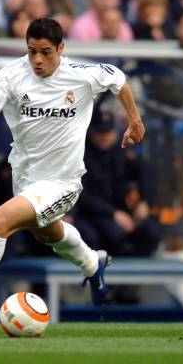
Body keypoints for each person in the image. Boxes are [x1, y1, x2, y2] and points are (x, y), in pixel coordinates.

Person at [0, 17, 145, 323]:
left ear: (61, 48)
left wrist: (134, 119)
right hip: (26, 179)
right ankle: (92, 262)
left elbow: (118, 79)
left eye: (45, 52)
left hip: (63, 182)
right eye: (32, 52)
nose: (38, 59)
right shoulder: (12, 76)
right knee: (48, 234)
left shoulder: (81, 74)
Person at [74, 110, 160, 257]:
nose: (104, 137)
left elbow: (145, 173)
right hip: (93, 216)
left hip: (121, 213)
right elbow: (83, 196)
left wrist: (144, 200)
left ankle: (134, 277)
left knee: (151, 232)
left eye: (108, 132)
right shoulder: (81, 156)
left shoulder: (122, 153)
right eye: (99, 132)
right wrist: (113, 214)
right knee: (112, 234)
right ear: (90, 132)